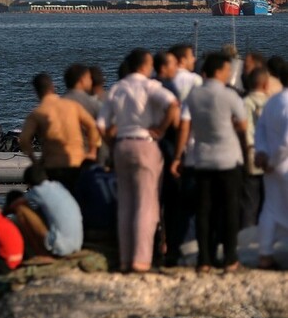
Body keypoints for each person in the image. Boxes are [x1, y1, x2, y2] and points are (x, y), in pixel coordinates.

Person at [97, 48, 179, 273]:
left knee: (125, 205)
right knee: (146, 204)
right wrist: (161, 129)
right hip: (145, 143)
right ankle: (141, 260)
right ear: (145, 65)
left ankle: (125, 258)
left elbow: (101, 125)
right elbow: (173, 105)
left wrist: (112, 144)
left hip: (122, 144)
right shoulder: (149, 85)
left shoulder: (117, 89)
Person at [171, 52, 247, 274]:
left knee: (204, 210)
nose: (230, 73)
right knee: (230, 209)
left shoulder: (193, 96)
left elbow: (185, 126)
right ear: (220, 71)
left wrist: (178, 156)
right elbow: (242, 126)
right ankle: (230, 258)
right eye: (227, 70)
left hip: (202, 158)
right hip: (229, 158)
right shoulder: (229, 95)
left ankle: (204, 259)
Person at [19, 73, 99, 194]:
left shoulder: (37, 113)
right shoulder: (72, 106)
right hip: (76, 162)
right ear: (53, 87)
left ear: (36, 92)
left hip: (52, 166)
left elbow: (24, 140)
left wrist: (34, 161)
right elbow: (92, 125)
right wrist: (92, 151)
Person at [3, 164, 83, 260]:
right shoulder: (58, 186)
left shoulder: (37, 191)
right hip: (77, 244)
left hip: (62, 246)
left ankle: (41, 255)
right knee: (38, 211)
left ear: (28, 184)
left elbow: (14, 204)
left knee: (21, 209)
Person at [254, 62, 288, 270]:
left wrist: (263, 155)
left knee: (271, 210)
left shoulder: (273, 101)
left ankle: (265, 253)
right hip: (283, 163)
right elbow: (287, 142)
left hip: (271, 167)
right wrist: (274, 161)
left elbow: (261, 131)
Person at [153, 51, 185, 266]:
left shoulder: (150, 85)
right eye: (173, 64)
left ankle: (158, 245)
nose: (177, 68)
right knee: (173, 202)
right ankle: (170, 247)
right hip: (168, 146)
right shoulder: (168, 87)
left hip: (153, 148)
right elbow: (176, 111)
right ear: (164, 67)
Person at [241, 68, 270, 231]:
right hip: (270, 159)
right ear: (266, 84)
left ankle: (246, 241)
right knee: (268, 205)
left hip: (251, 156)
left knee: (249, 204)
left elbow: (245, 131)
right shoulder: (272, 103)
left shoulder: (245, 102)